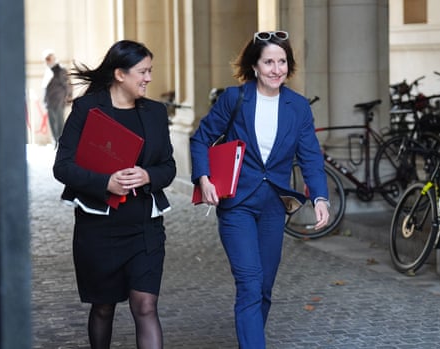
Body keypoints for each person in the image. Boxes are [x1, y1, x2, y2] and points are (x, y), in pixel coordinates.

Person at [190, 31, 330, 348]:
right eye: (269, 61)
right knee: (250, 284)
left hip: (273, 207)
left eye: (282, 62)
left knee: (265, 287)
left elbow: (310, 157)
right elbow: (200, 139)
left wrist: (320, 197)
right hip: (237, 203)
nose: (276, 69)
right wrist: (203, 177)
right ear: (255, 65)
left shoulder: (298, 107)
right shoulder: (235, 98)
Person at [53, 40, 176, 349]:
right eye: (142, 72)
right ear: (120, 74)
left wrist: (148, 175)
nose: (148, 78)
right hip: (99, 230)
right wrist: (104, 182)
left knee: (146, 306)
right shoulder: (87, 109)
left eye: (150, 71)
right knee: (104, 308)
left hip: (145, 229)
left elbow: (169, 167)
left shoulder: (156, 113)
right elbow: (62, 167)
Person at [42, 49, 72, 147]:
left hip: (59, 101)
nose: (47, 61)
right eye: (46, 59)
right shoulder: (48, 71)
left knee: (59, 123)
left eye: (48, 59)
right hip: (50, 102)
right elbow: (46, 87)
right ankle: (56, 141)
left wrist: (68, 98)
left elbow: (68, 86)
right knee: (52, 123)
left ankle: (61, 143)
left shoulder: (60, 70)